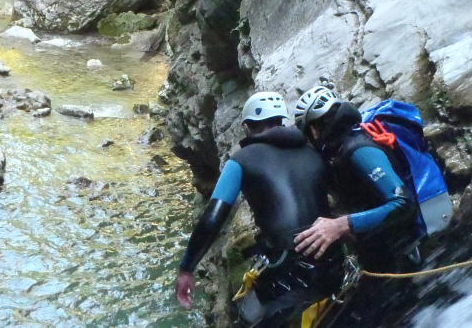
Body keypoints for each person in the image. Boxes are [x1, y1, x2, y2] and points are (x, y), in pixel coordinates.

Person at [175, 91, 344, 327]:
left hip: (291, 274)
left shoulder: (241, 160)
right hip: (336, 266)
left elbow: (213, 218)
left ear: (246, 126)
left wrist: (186, 269)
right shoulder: (312, 152)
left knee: (246, 319)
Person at [291, 86, 422, 327]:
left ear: (314, 129)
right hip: (385, 259)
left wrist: (341, 225)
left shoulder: (359, 150)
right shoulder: (342, 152)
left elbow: (403, 203)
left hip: (404, 258)